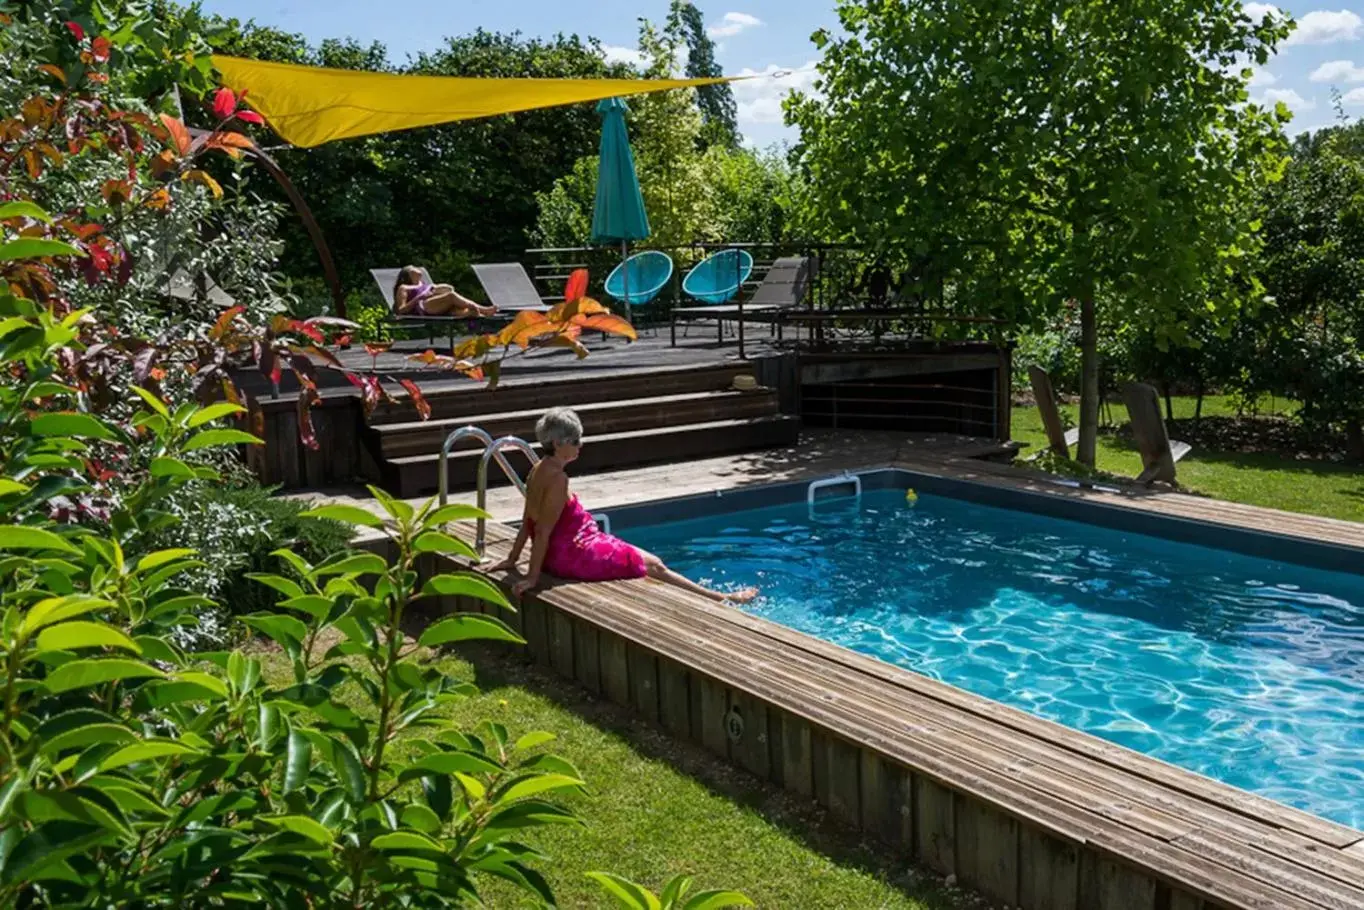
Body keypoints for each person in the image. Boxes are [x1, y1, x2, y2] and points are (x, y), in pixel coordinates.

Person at [490, 407, 758, 604]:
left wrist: (513, 559)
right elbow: (542, 530)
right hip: (573, 555)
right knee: (655, 565)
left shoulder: (537, 469)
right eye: (576, 441)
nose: (580, 447)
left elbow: (528, 518)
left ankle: (716, 597)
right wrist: (533, 578)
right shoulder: (558, 478)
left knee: (645, 563)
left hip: (569, 548)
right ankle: (720, 597)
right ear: (558, 444)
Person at [392, 266, 498, 318]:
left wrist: (436, 289)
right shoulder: (404, 287)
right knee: (451, 297)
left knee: (453, 304)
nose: (417, 268)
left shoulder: (424, 284)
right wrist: (419, 298)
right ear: (408, 273)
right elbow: (401, 310)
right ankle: (484, 310)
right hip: (422, 307)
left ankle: (471, 313)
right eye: (413, 267)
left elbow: (449, 288)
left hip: (433, 304)